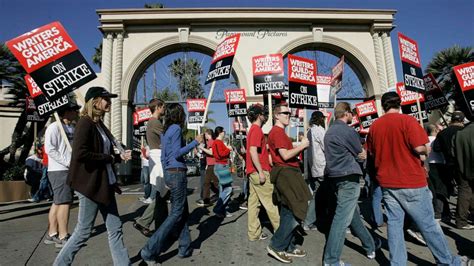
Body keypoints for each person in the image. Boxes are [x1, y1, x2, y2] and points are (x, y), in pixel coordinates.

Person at [366, 91, 464, 265]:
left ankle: (397, 263)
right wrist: (426, 149)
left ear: (384, 106)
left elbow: (371, 153)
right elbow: (420, 148)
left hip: (388, 183)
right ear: (399, 103)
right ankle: (447, 261)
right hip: (411, 181)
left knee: (395, 226)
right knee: (428, 224)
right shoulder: (408, 121)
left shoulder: (375, 126)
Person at [54, 86, 131, 266]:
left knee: (115, 228)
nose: (109, 102)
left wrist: (118, 157)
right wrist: (109, 157)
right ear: (95, 101)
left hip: (104, 184)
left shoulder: (99, 125)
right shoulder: (85, 123)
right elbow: (80, 153)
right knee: (83, 231)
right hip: (89, 186)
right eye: (106, 99)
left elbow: (104, 153)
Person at [140, 103, 203, 264]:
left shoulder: (166, 131)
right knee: (176, 213)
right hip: (177, 172)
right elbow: (177, 153)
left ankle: (184, 246)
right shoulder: (175, 129)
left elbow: (163, 156)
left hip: (170, 172)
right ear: (179, 115)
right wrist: (194, 142)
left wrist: (166, 171)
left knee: (182, 212)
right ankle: (149, 250)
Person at [323, 102, 377, 266]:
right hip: (348, 177)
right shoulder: (348, 131)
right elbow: (361, 154)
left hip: (335, 177)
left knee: (352, 216)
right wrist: (362, 155)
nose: (353, 117)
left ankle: (370, 245)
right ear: (345, 113)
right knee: (341, 220)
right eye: (351, 114)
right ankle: (331, 260)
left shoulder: (329, 131)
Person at [266, 103, 311, 264]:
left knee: (288, 210)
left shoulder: (279, 133)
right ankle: (277, 246)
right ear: (276, 115)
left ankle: (289, 246)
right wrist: (303, 146)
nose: (288, 115)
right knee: (297, 210)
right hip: (286, 173)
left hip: (287, 173)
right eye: (285, 113)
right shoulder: (277, 132)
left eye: (289, 113)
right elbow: (284, 156)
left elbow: (274, 157)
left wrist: (298, 146)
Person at [43, 102, 80, 248]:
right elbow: (49, 149)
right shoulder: (54, 127)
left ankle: (52, 234)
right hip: (59, 170)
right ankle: (63, 236)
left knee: (58, 202)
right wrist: (66, 162)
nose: (76, 113)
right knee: (65, 202)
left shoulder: (71, 127)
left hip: (67, 169)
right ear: (66, 112)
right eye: (74, 110)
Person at [134, 99, 168, 237]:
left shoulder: (152, 122)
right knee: (163, 192)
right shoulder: (155, 122)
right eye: (163, 107)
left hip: (156, 157)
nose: (164, 109)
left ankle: (163, 226)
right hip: (158, 158)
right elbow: (167, 138)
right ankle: (143, 221)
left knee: (162, 193)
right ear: (158, 107)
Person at [245, 104, 280, 241]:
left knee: (254, 204)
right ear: (259, 115)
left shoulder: (252, 130)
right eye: (264, 114)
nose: (266, 117)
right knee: (271, 203)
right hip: (259, 171)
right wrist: (260, 171)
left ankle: (254, 233)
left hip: (252, 172)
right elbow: (253, 151)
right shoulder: (256, 130)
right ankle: (281, 234)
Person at [303, 110, 326, 231]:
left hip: (314, 168)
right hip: (322, 167)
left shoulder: (309, 131)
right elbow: (326, 147)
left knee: (318, 195)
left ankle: (309, 221)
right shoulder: (319, 131)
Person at [454, 120, 474, 230]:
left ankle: (461, 220)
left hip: (463, 167)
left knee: (464, 193)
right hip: (466, 166)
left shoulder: (460, 133)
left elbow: (453, 152)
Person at [211, 126, 234, 218]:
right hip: (222, 166)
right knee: (228, 189)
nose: (224, 133)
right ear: (220, 132)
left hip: (220, 166)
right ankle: (218, 208)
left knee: (223, 189)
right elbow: (221, 154)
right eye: (223, 131)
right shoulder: (218, 142)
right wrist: (228, 149)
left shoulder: (216, 142)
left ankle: (221, 210)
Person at [196, 129, 220, 207]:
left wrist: (202, 148)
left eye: (205, 134)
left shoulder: (210, 142)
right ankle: (207, 200)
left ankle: (207, 200)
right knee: (210, 183)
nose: (204, 136)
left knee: (210, 183)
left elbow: (211, 152)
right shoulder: (211, 141)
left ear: (208, 134)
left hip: (212, 165)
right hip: (210, 165)